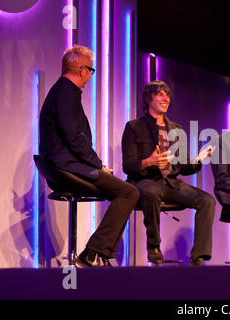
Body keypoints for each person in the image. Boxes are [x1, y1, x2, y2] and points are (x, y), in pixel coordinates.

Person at [39, 45, 140, 267]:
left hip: (65, 164)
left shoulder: (63, 90)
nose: (90, 76)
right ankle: (93, 253)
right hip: (65, 167)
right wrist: (98, 164)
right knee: (128, 191)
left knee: (124, 192)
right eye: (91, 70)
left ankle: (97, 253)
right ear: (82, 69)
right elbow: (74, 139)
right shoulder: (65, 92)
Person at [121, 80, 215, 266]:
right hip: (145, 181)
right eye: (160, 94)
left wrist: (197, 161)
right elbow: (128, 166)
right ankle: (154, 247)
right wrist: (149, 162)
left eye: (167, 95)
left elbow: (184, 166)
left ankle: (199, 257)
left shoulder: (176, 129)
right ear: (149, 99)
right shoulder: (134, 127)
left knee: (207, 200)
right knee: (152, 191)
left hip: (171, 183)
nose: (166, 98)